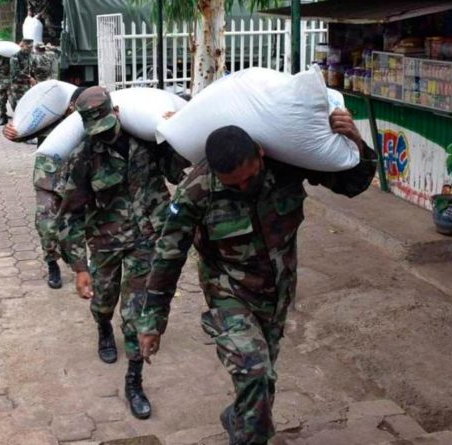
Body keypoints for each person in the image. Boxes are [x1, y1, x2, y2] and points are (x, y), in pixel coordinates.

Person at [136, 112, 377, 444]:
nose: (243, 188)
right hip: (228, 293)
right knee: (255, 372)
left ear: (260, 154)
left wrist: (357, 143)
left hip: (277, 291)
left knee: (262, 380)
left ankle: (240, 418)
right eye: (232, 184)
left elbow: (352, 185)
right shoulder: (195, 192)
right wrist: (152, 322)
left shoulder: (287, 165)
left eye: (249, 178)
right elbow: (168, 257)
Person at [57, 86, 190, 419]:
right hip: (105, 244)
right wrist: (79, 268)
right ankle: (103, 327)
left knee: (135, 315)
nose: (103, 137)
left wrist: (177, 134)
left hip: (146, 241)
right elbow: (69, 216)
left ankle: (134, 381)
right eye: (95, 133)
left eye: (106, 127)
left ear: (116, 113)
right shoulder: (84, 157)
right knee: (104, 302)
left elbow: (176, 169)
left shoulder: (146, 140)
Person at [2, 86, 86, 289]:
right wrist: (10, 131)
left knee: (75, 228)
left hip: (76, 184)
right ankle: (52, 263)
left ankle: (81, 267)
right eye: (73, 107)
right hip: (47, 180)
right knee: (46, 226)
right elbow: (23, 131)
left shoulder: (89, 120)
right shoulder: (52, 114)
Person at [9, 39, 37, 111]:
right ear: (22, 45)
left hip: (27, 84)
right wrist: (30, 78)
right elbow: (16, 72)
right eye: (28, 47)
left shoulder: (30, 56)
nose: (30, 49)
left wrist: (34, 78)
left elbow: (32, 69)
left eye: (31, 47)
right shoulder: (15, 57)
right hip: (17, 85)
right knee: (17, 105)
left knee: (28, 104)